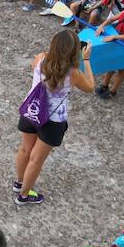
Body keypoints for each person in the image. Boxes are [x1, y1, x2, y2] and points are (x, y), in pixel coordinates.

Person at [14, 29, 94, 204]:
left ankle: (19, 183)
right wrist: (86, 60)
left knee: (25, 150)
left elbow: (33, 67)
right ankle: (24, 196)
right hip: (53, 120)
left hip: (32, 110)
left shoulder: (41, 57)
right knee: (36, 159)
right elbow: (90, 87)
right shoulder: (73, 73)